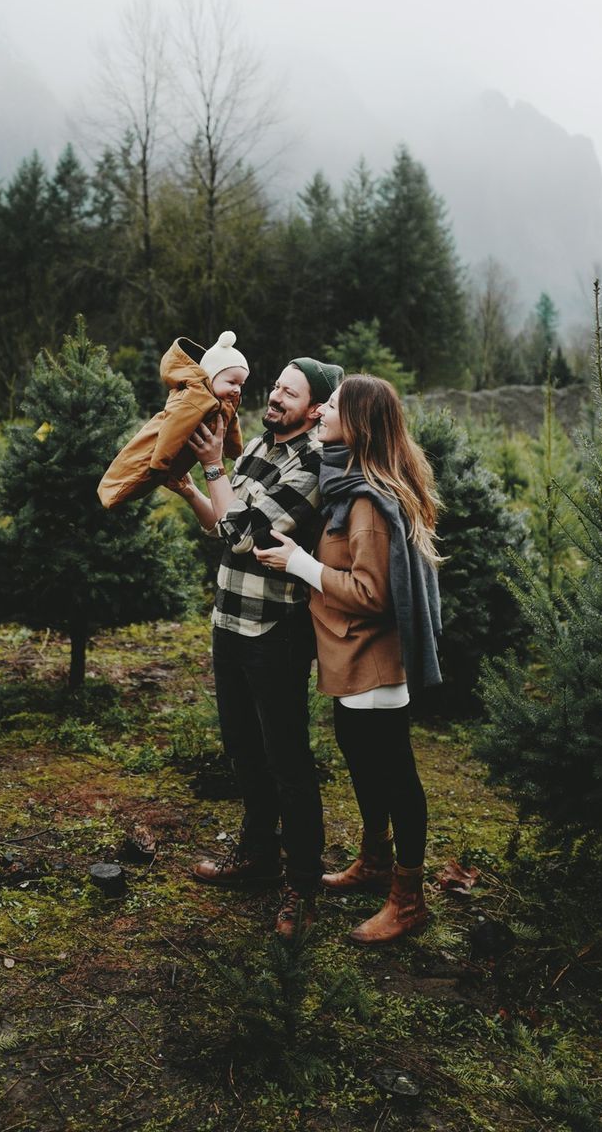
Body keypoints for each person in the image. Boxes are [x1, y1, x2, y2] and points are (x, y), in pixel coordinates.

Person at [254, 374, 442, 946]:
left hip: (374, 665)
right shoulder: (350, 481)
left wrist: (300, 564)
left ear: (356, 422)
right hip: (350, 662)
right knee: (365, 766)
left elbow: (373, 593)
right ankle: (375, 861)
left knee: (396, 778)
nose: (321, 412)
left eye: (331, 406)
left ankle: (409, 899)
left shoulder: (366, 501)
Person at [172, 356, 343, 938]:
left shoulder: (313, 466)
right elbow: (223, 527)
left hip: (275, 629)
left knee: (287, 759)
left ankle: (302, 883)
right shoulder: (259, 450)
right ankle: (257, 857)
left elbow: (246, 535)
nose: (274, 398)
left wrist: (215, 466)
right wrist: (195, 489)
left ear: (317, 408)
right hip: (229, 620)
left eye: (289, 393)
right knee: (243, 747)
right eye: (275, 387)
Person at [97, 331, 247, 509]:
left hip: (176, 457)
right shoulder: (195, 397)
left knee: (148, 484)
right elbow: (173, 428)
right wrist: (160, 461)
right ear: (211, 376)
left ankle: (118, 496)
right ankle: (108, 494)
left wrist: (235, 452)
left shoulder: (226, 402)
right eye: (231, 382)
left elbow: (232, 428)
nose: (237, 389)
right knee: (134, 472)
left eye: (240, 385)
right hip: (157, 448)